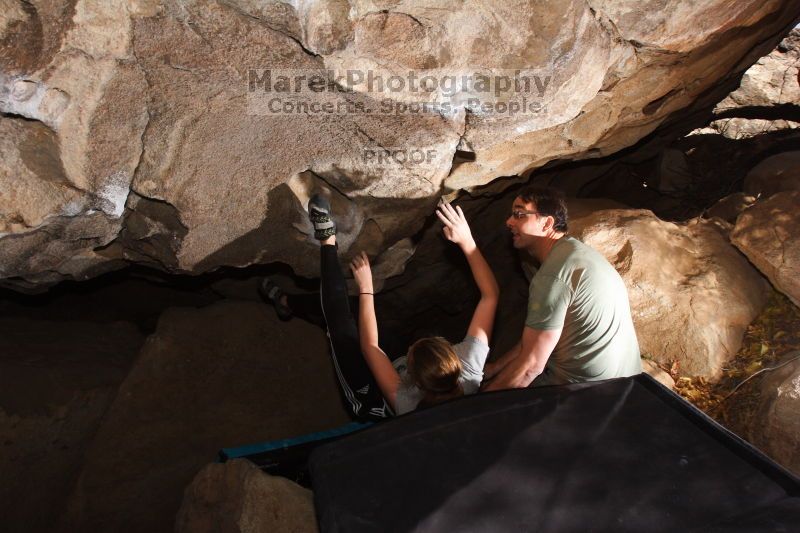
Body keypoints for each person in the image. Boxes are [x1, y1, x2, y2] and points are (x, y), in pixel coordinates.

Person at [261, 194, 499, 419]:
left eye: (413, 351)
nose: (413, 345)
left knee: (341, 328)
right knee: (359, 311)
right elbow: (490, 296)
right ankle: (287, 302)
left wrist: (366, 288)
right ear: (454, 357)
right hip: (395, 362)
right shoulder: (470, 366)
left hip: (373, 394)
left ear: (413, 380)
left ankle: (327, 238)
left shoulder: (408, 404)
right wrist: (467, 242)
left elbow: (369, 346)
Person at [482, 185, 641, 391]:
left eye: (519, 214)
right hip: (630, 382)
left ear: (547, 223)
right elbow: (537, 338)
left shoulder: (552, 276)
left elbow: (530, 367)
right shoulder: (576, 253)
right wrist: (494, 368)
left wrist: (476, 406)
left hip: (587, 391)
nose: (509, 222)